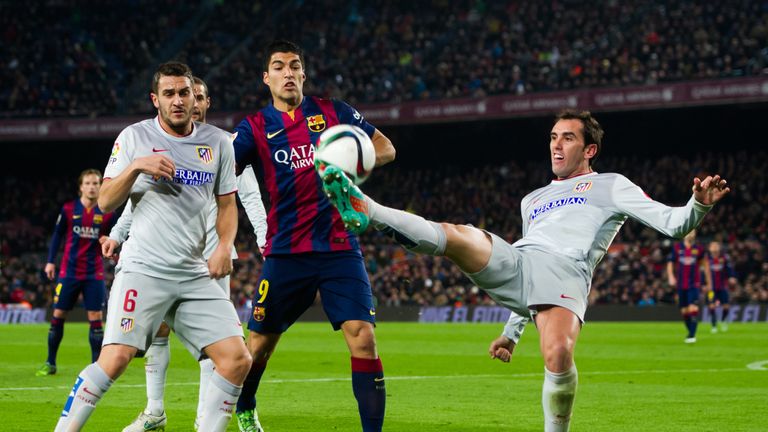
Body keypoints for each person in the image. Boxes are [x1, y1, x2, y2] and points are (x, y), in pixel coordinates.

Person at [319, 109, 730, 432]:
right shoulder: (532, 199)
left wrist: (699, 205)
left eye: (567, 138)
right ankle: (365, 208)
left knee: (557, 353)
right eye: (553, 137)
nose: (556, 145)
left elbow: (675, 225)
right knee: (459, 235)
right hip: (520, 260)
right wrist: (511, 331)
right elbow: (528, 276)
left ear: (589, 150)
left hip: (566, 273)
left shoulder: (611, 184)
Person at [53, 62, 252, 432]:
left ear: (196, 97)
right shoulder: (133, 138)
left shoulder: (219, 143)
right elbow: (106, 202)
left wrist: (225, 245)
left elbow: (227, 204)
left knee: (237, 359)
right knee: (115, 358)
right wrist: (137, 167)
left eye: (184, 93)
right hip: (144, 270)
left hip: (194, 272)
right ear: (155, 99)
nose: (177, 101)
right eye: (169, 94)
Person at [231, 39, 396, 432]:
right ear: (266, 78)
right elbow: (224, 172)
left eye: (294, 65)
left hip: (339, 247)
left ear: (303, 73)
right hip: (286, 252)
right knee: (258, 347)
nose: (288, 73)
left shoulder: (333, 112)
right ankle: (246, 404)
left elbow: (386, 147)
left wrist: (353, 160)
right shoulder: (254, 128)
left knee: (364, 338)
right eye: (279, 66)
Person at [103, 76, 268, 432]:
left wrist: (264, 238)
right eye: (180, 94)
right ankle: (154, 411)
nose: (190, 101)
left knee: (216, 345)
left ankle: (205, 420)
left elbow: (249, 197)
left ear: (203, 102)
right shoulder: (161, 145)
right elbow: (138, 201)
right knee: (158, 332)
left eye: (197, 96)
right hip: (163, 255)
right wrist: (117, 234)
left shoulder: (229, 147)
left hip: (211, 256)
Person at [36, 169, 115, 376]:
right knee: (58, 315)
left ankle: (95, 367)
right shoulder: (69, 209)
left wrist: (114, 250)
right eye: (88, 183)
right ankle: (50, 362)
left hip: (94, 273)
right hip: (69, 272)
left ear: (100, 186)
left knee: (96, 318)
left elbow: (115, 237)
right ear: (81, 186)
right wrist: (50, 262)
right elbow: (57, 235)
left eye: (96, 183)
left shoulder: (107, 212)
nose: (92, 187)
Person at [667, 229, 711, 343]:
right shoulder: (677, 248)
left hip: (694, 283)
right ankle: (690, 333)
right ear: (684, 234)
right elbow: (670, 263)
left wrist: (707, 282)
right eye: (689, 232)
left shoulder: (699, 249)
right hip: (681, 284)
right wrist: (671, 277)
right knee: (684, 311)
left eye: (693, 232)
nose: (691, 234)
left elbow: (705, 265)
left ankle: (692, 335)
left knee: (693, 308)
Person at [705, 240, 736, 332]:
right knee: (711, 306)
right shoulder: (706, 259)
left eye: (716, 245)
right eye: (712, 246)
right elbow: (704, 273)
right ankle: (714, 326)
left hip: (723, 286)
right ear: (709, 248)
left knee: (726, 306)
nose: (714, 247)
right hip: (711, 288)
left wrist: (731, 277)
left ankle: (723, 320)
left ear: (719, 247)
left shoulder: (724, 258)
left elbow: (729, 269)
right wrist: (703, 283)